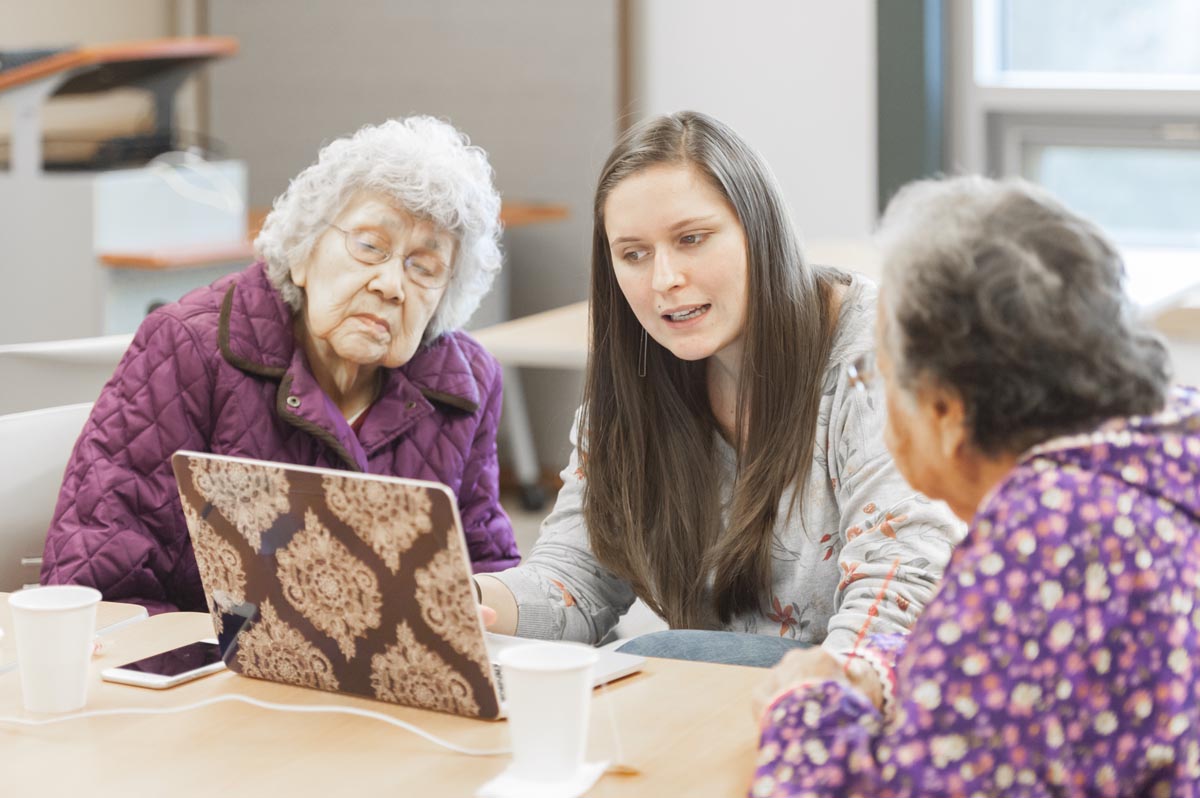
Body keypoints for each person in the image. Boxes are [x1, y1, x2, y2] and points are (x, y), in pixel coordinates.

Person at [752, 175, 1200, 796]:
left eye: (879, 377)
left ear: (946, 411)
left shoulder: (1050, 535)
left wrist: (803, 708)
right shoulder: (1161, 450)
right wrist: (879, 670)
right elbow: (1013, 672)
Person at [475, 111, 964, 669]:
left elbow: (905, 579)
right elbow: (574, 582)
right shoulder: (634, 391)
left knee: (656, 656)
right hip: (738, 701)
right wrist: (466, 601)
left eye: (692, 239)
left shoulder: (879, 353)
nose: (663, 280)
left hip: (867, 695)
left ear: (759, 229)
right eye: (633, 254)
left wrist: (830, 695)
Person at [41, 117, 520, 613]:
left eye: (424, 268)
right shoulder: (188, 348)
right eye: (370, 247)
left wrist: (490, 613)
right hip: (205, 673)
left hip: (388, 685)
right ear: (303, 253)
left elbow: (484, 563)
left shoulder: (467, 383)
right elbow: (94, 586)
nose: (391, 285)